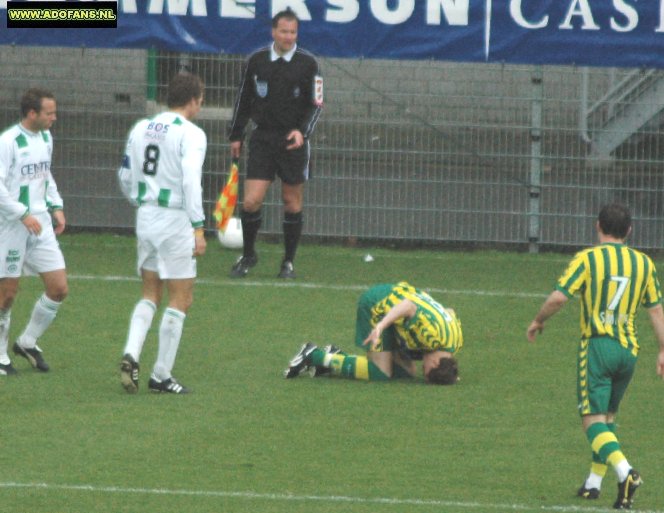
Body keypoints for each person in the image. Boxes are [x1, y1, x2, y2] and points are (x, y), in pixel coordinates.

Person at [526, 203, 664, 510]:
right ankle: (593, 483)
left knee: (592, 422)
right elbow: (655, 309)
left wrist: (539, 320)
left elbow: (560, 297)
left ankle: (626, 472)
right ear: (629, 231)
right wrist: (663, 349)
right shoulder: (644, 263)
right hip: (628, 351)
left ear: (597, 225)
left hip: (598, 347)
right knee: (608, 418)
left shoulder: (588, 259)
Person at [117, 73, 207, 394]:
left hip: (146, 216)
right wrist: (198, 226)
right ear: (194, 99)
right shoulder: (192, 134)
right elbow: (190, 181)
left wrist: (143, 202)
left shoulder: (140, 128)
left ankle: (131, 350)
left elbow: (126, 175)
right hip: (175, 221)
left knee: (149, 293)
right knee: (181, 298)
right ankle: (161, 375)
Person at [228, 9, 323, 280]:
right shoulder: (256, 61)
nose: (288, 37)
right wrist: (236, 134)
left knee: (291, 203)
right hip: (263, 139)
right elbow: (242, 100)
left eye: (293, 32)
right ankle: (248, 255)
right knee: (251, 201)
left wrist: (302, 132)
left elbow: (316, 105)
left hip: (293, 142)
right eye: (284, 31)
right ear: (273, 32)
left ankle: (288, 262)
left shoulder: (309, 64)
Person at [0, 87, 68, 376]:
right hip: (12, 224)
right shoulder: (8, 142)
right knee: (7, 294)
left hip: (40, 222)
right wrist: (22, 213)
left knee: (58, 288)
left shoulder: (45, 137)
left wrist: (56, 205)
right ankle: (0, 354)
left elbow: (45, 173)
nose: (54, 117)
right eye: (49, 113)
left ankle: (27, 341)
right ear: (32, 113)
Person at [284, 282, 462, 384]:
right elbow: (408, 306)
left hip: (395, 307)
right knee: (381, 373)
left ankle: (335, 358)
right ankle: (313, 355)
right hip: (378, 306)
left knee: (406, 373)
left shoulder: (454, 342)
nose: (424, 368)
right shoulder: (431, 335)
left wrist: (451, 375)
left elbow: (450, 311)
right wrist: (380, 326)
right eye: (427, 368)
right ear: (438, 361)